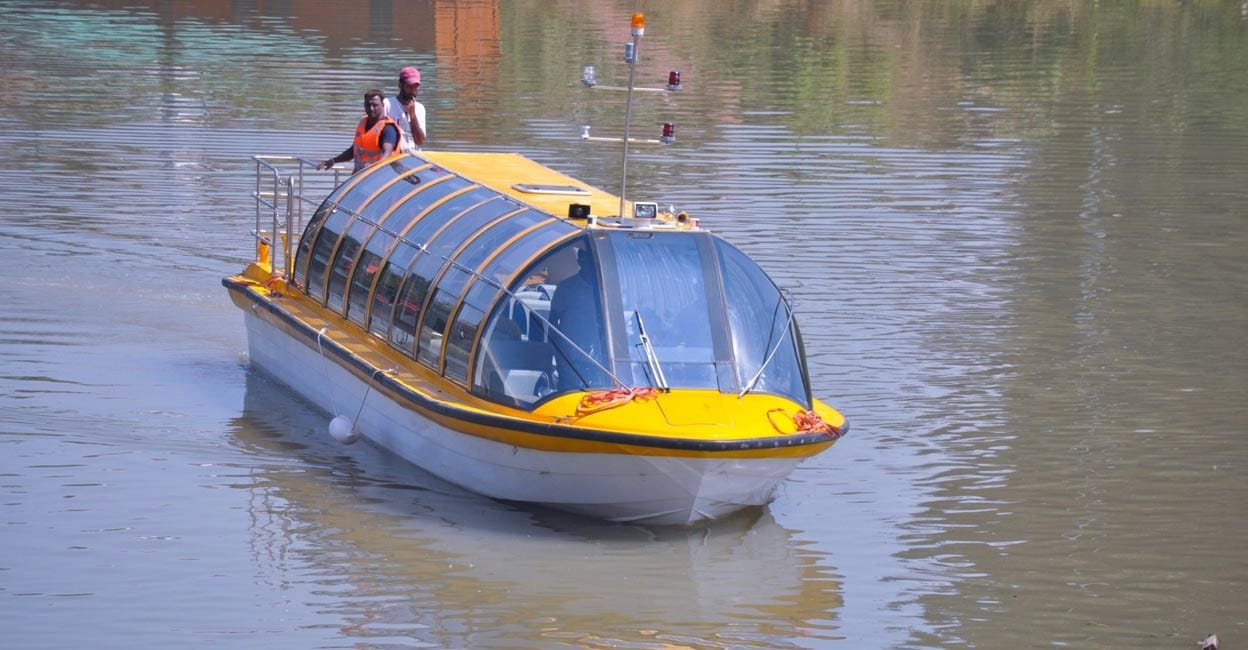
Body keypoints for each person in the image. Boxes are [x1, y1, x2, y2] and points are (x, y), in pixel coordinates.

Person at [318, 90, 400, 173]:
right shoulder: (363, 123)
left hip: (379, 177)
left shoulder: (388, 128)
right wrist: (333, 161)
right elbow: (353, 151)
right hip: (360, 176)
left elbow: (387, 153)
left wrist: (375, 168)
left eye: (375, 105)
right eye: (368, 105)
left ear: (382, 106)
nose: (371, 108)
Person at [384, 66, 426, 153]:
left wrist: (412, 115)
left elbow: (420, 141)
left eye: (416, 87)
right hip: (392, 156)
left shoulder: (420, 108)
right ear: (400, 85)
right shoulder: (387, 104)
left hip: (412, 155)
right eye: (409, 87)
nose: (413, 91)